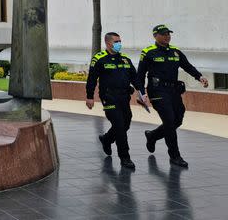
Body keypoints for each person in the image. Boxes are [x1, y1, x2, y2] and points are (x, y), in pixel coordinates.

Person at [136, 24, 209, 168]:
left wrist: (199, 77)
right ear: (155, 36)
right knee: (169, 120)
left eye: (168, 34)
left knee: (178, 119)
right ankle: (175, 156)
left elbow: (187, 66)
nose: (167, 36)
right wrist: (142, 93)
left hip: (173, 91)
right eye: (163, 34)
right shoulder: (148, 52)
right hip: (157, 91)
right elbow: (140, 75)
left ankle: (153, 135)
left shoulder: (175, 52)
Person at [85, 32, 139, 169]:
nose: (119, 44)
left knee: (126, 123)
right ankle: (125, 157)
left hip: (124, 97)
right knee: (119, 125)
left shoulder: (125, 59)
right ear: (108, 43)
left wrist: (141, 92)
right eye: (116, 41)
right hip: (109, 97)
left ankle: (107, 139)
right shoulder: (99, 58)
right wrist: (90, 97)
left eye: (120, 41)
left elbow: (135, 77)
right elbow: (91, 79)